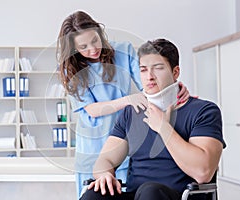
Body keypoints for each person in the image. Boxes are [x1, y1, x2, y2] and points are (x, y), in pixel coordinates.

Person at [56, 11, 190, 198]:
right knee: (96, 192)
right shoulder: (71, 69)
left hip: (123, 137)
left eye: (95, 40)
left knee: (125, 191)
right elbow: (92, 110)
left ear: (99, 32)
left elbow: (149, 80)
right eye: (83, 47)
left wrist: (173, 87)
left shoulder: (123, 51)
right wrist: (127, 100)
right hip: (93, 143)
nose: (93, 49)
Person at [80, 38, 226, 200]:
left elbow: (203, 172)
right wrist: (104, 174)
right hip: (137, 195)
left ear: (175, 72)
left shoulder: (204, 111)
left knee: (150, 192)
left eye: (158, 68)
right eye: (143, 70)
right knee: (93, 195)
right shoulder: (131, 113)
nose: (149, 76)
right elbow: (105, 159)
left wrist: (163, 127)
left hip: (180, 196)